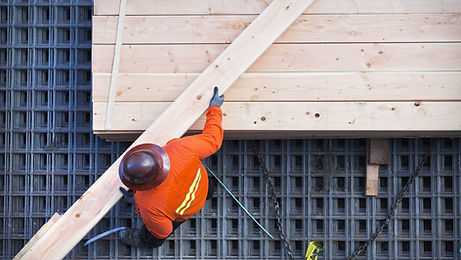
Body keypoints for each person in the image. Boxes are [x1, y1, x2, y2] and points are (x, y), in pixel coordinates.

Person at [118, 87, 224, 248]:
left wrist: (139, 205)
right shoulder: (181, 149)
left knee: (154, 235)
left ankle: (144, 242)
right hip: (202, 189)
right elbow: (213, 138)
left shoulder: (149, 204)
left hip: (183, 212)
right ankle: (209, 192)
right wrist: (214, 108)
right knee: (207, 187)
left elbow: (163, 230)